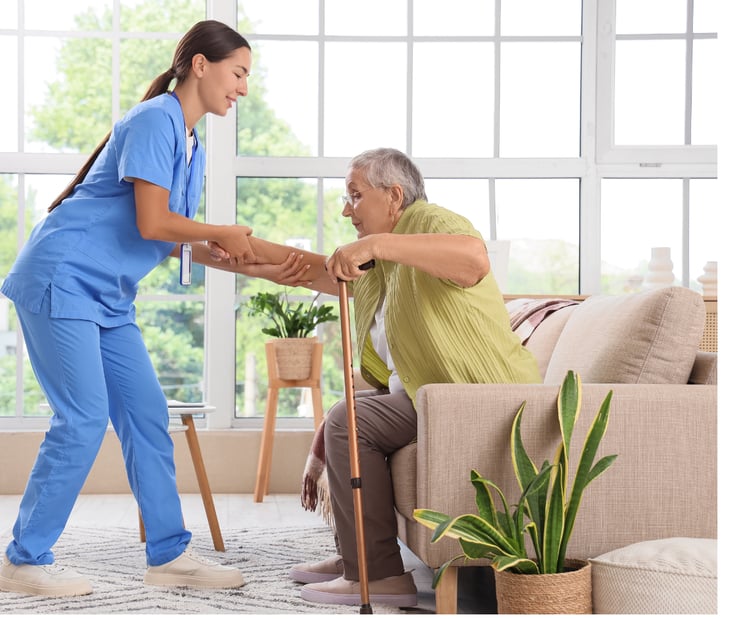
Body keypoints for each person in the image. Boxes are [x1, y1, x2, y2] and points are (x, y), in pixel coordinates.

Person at [0, 20, 273, 597]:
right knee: (83, 419)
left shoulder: (193, 145)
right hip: (64, 277)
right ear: (200, 64)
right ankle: (23, 560)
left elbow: (173, 237)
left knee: (147, 415)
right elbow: (154, 221)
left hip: (108, 295)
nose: (244, 88)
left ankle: (168, 556)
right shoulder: (154, 120)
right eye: (238, 73)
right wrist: (221, 231)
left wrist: (262, 262)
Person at [238, 148, 542, 607]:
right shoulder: (385, 266)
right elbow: (310, 270)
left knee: (348, 422)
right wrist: (231, 251)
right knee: (348, 414)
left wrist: (375, 245)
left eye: (355, 195)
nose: (347, 210)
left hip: (476, 397)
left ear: (395, 196)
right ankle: (358, 555)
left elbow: (473, 259)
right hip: (431, 397)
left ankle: (377, 573)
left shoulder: (431, 222)